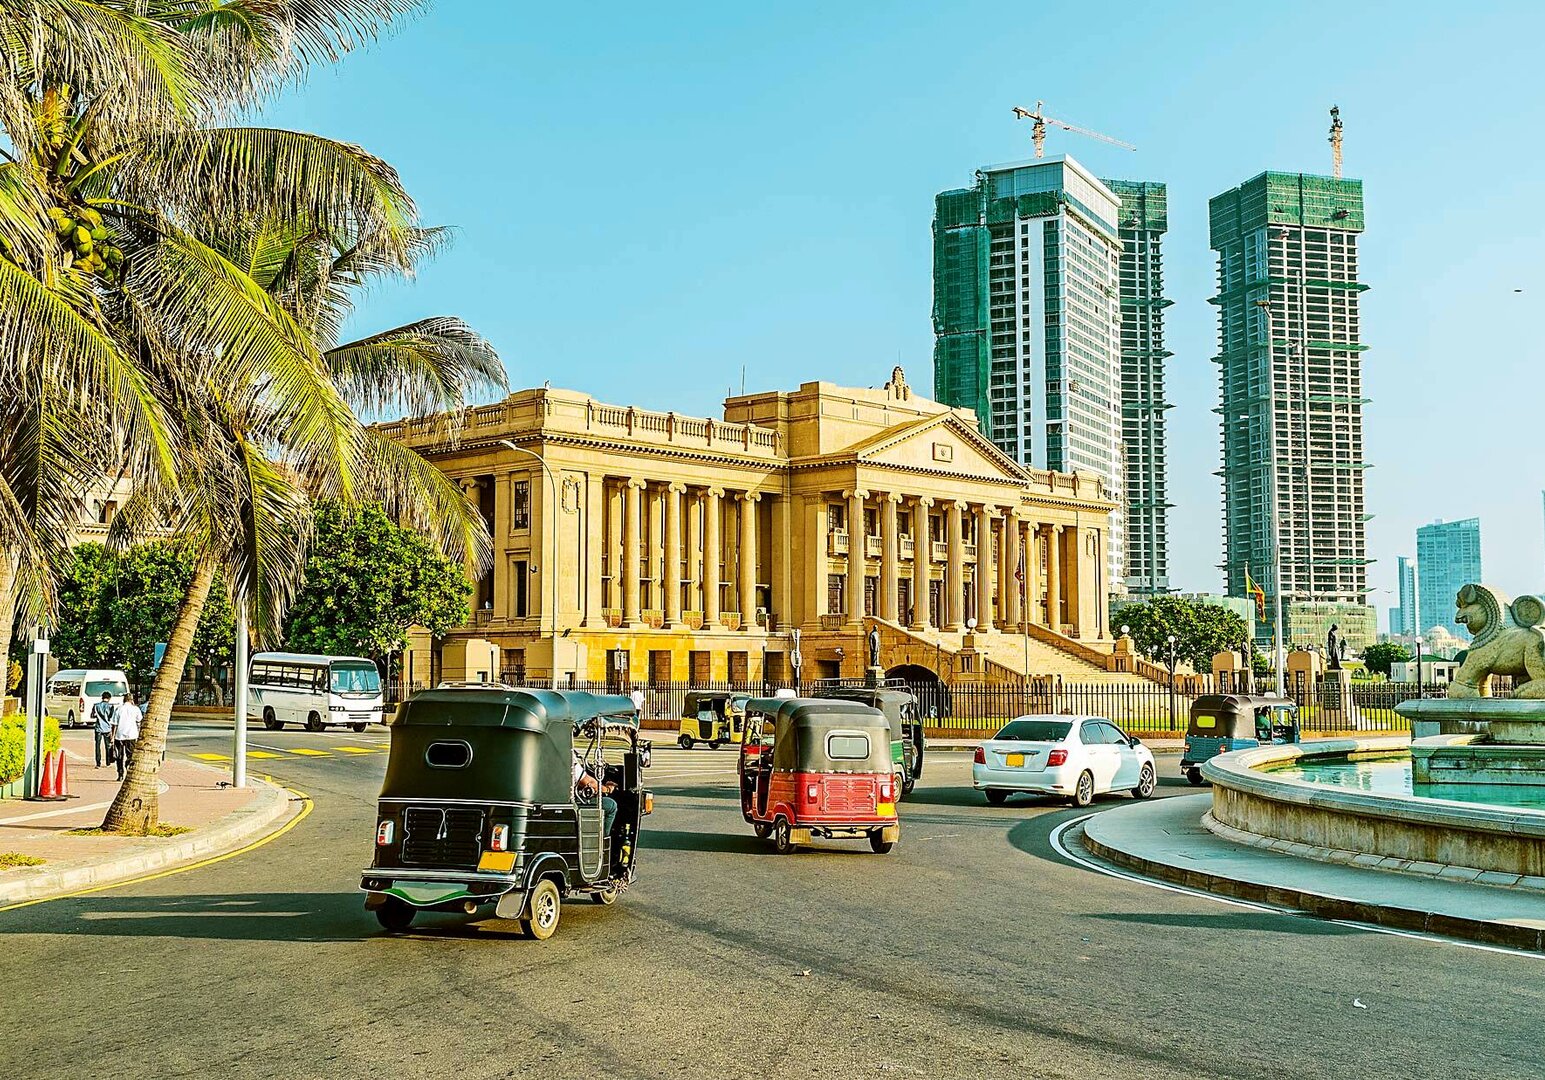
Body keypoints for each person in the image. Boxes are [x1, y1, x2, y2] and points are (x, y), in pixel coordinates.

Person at [572, 746, 618, 839]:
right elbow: (587, 783)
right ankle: (602, 841)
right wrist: (607, 789)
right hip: (566, 803)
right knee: (611, 805)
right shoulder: (565, 754)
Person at [111, 691, 143, 781]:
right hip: (131, 735)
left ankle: (120, 773)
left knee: (119, 756)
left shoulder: (119, 709)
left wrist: (112, 736)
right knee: (130, 755)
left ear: (124, 700)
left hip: (119, 735)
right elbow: (139, 720)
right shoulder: (135, 709)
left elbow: (114, 724)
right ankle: (128, 767)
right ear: (132, 700)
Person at [90, 691, 117, 769]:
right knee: (107, 745)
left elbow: (92, 715)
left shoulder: (96, 706)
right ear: (109, 698)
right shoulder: (111, 706)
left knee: (97, 746)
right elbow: (111, 718)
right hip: (107, 728)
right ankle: (108, 762)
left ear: (102, 697)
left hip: (98, 727)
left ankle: (98, 763)